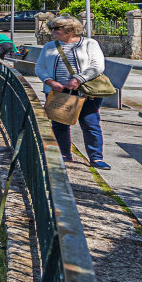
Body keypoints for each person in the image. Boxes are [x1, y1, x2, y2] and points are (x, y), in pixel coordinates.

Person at [34, 15, 109, 169]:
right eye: (52, 28)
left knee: (90, 123)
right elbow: (40, 67)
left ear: (69, 30)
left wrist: (78, 79)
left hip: (85, 91)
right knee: (59, 124)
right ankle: (63, 154)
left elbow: (97, 66)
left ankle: (96, 158)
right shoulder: (49, 46)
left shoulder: (89, 44)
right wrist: (50, 81)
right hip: (58, 91)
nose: (52, 31)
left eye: (56, 28)